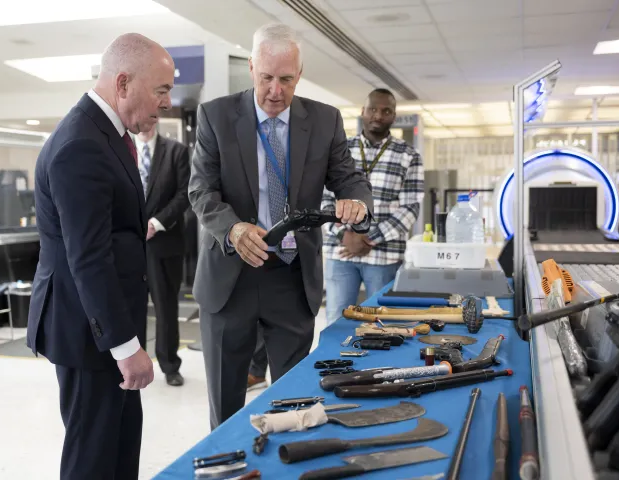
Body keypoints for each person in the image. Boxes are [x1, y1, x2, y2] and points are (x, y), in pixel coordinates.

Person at [188, 22, 373, 430]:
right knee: (226, 404)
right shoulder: (215, 116)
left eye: (286, 79)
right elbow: (202, 192)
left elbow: (348, 177)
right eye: (267, 77)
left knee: (292, 402)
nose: (276, 91)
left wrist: (356, 201)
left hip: (291, 278)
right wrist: (234, 229)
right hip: (230, 276)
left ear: (300, 74)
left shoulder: (324, 120)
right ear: (251, 67)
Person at [26, 33, 176, 480]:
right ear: (124, 83)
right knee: (93, 458)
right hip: (88, 335)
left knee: (120, 447)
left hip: (104, 330)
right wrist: (126, 347)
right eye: (161, 90)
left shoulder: (106, 134)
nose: (166, 103)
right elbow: (88, 257)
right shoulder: (81, 145)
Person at [321, 88, 424, 326]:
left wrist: (368, 238)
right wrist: (344, 235)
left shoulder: (408, 155)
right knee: (337, 321)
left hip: (383, 255)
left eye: (386, 111)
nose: (378, 115)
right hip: (340, 252)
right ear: (362, 112)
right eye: (373, 109)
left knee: (383, 323)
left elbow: (410, 208)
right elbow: (324, 199)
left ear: (394, 116)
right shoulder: (339, 150)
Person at [135, 125, 190, 387]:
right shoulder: (123, 149)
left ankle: (170, 365)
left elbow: (184, 195)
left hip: (164, 242)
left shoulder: (176, 151)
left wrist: (156, 223)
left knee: (166, 308)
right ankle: (131, 364)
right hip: (128, 245)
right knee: (129, 308)